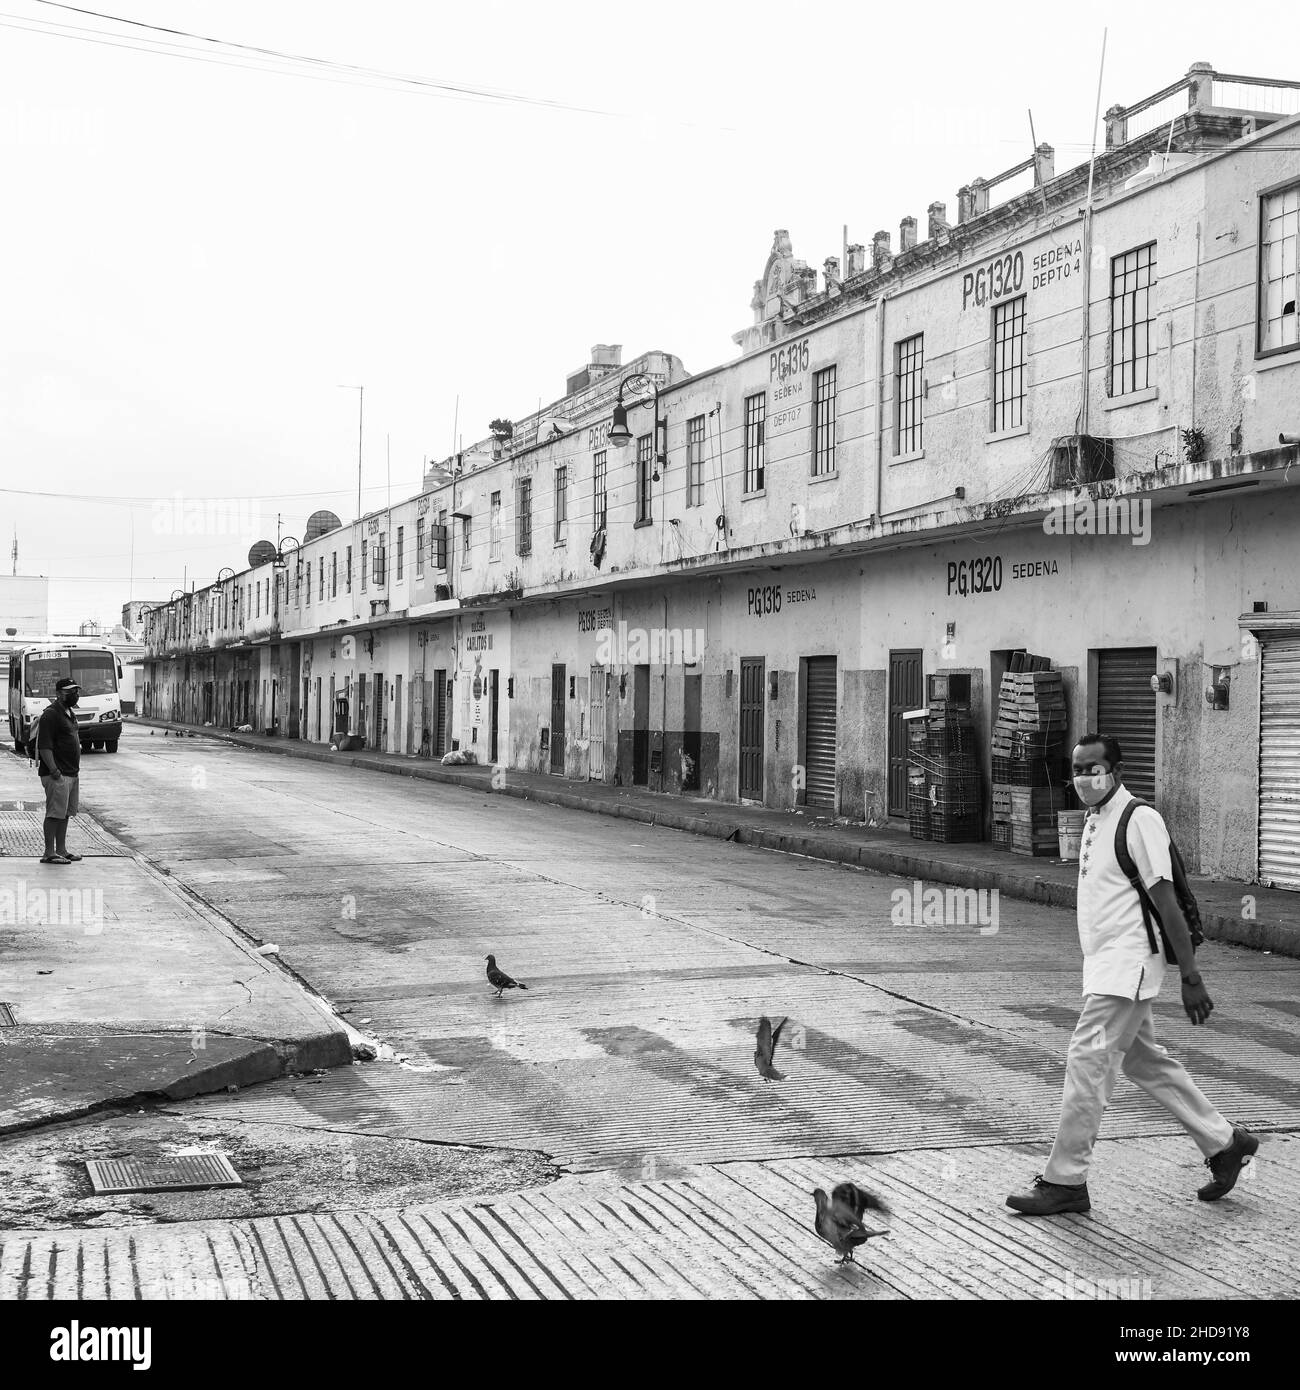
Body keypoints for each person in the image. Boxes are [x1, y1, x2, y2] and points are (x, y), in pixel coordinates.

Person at [1007, 732, 1259, 1215]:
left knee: (1087, 1063)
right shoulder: (1094, 819)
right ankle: (1225, 1143)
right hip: (1107, 968)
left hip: (1127, 969)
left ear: (1117, 772)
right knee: (1145, 1061)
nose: (1084, 777)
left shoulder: (1138, 819)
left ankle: (1065, 1180)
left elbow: (1167, 903)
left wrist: (1190, 975)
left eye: (1094, 767)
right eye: (1077, 769)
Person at [35, 676, 83, 865]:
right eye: (69, 691)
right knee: (54, 813)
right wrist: (54, 770)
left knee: (64, 814)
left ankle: (61, 850)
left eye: (76, 691)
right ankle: (49, 852)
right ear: (58, 694)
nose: (74, 695)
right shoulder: (51, 714)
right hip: (57, 774)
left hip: (71, 773)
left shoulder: (69, 712)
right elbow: (45, 746)